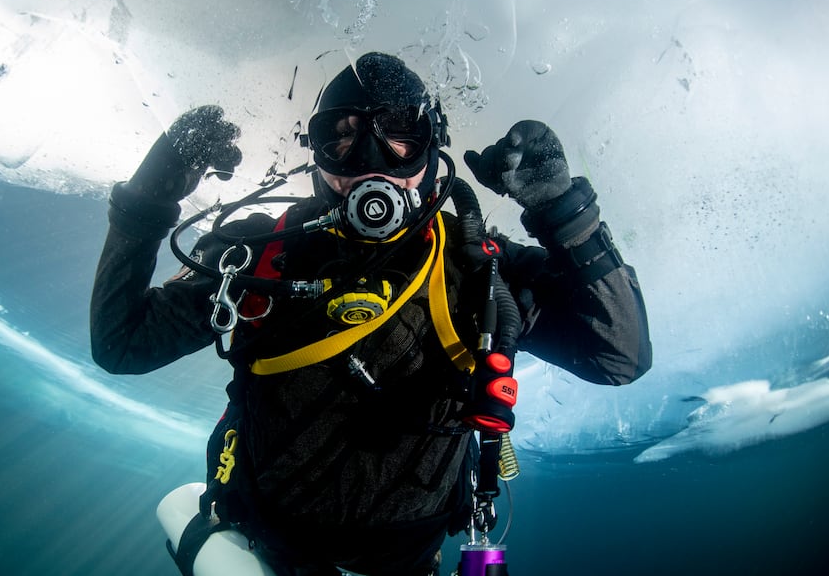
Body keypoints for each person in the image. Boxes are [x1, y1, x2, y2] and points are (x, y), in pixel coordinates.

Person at [91, 52, 652, 576]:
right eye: (341, 137)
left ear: (433, 146)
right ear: (315, 155)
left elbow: (618, 355)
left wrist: (564, 213)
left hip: (406, 561)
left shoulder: (479, 266)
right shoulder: (261, 252)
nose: (370, 163)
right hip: (267, 546)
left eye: (400, 133)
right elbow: (123, 344)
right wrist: (148, 196)